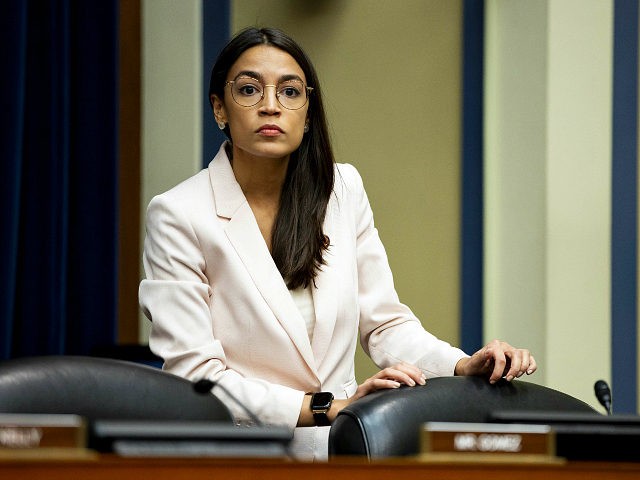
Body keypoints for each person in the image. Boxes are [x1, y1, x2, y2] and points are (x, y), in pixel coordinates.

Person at [139, 26, 536, 460]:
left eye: (290, 92)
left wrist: (463, 366)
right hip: (242, 456)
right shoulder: (178, 213)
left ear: (308, 114)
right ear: (219, 108)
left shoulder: (342, 189)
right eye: (249, 90)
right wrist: (327, 408)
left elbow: (384, 324)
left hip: (342, 455)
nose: (271, 106)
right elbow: (197, 376)